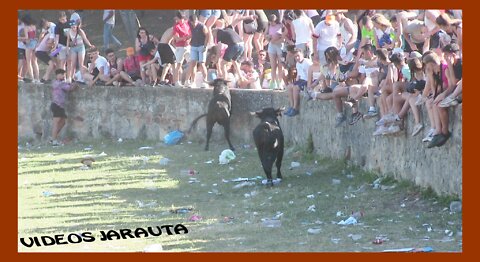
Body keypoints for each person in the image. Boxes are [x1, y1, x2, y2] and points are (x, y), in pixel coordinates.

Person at [50, 68, 79, 146]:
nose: (63, 76)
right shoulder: (59, 83)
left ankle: (53, 137)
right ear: (57, 75)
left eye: (64, 74)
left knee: (62, 122)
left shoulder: (58, 82)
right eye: (61, 74)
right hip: (57, 105)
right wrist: (75, 82)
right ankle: (53, 140)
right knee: (56, 123)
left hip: (60, 106)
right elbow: (70, 88)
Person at [285, 48, 312, 117]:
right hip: (301, 80)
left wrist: (309, 86)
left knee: (295, 87)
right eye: (295, 57)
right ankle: (291, 106)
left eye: (298, 56)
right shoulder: (297, 64)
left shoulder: (307, 63)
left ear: (302, 55)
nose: (297, 58)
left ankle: (295, 108)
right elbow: (298, 75)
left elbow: (311, 75)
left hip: (307, 80)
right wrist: (294, 83)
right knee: (289, 87)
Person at [185, 14, 209, 88]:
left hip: (201, 46)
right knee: (193, 64)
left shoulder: (202, 26)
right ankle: (193, 82)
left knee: (202, 64)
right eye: (193, 22)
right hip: (193, 46)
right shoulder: (189, 24)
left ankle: (205, 81)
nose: (194, 24)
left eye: (195, 22)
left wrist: (205, 46)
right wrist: (187, 38)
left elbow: (207, 35)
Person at [172, 11, 192, 87]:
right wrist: (184, 38)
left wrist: (188, 39)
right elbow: (176, 38)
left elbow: (190, 34)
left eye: (177, 19)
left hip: (187, 46)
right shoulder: (176, 27)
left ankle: (187, 80)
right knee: (179, 64)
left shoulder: (187, 24)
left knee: (191, 63)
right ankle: (177, 81)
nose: (176, 20)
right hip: (180, 47)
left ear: (182, 18)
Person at [266, 14, 285, 90]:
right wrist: (268, 38)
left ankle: (280, 82)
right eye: (270, 22)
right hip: (272, 45)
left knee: (280, 65)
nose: (271, 23)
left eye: (272, 22)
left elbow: (283, 36)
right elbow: (265, 34)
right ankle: (273, 82)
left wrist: (277, 39)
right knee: (273, 65)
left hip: (279, 45)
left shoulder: (280, 25)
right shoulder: (269, 25)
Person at [21, 13, 40, 84]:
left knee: (29, 62)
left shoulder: (26, 27)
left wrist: (19, 38)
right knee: (35, 61)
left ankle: (32, 78)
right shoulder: (34, 26)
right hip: (35, 43)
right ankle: (37, 78)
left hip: (29, 44)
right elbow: (34, 35)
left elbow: (26, 38)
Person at [53, 12, 70, 76]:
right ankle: (63, 76)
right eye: (61, 20)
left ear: (66, 18)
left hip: (70, 45)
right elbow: (57, 37)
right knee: (62, 61)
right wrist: (55, 46)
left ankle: (70, 76)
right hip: (61, 45)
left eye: (63, 19)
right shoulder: (57, 26)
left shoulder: (70, 23)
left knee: (69, 61)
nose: (62, 21)